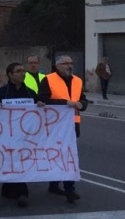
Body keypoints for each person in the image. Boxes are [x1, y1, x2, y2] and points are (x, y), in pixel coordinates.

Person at [0, 62, 44, 208]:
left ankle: (22, 193)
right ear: (10, 75)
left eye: (23, 71)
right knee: (10, 161)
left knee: (21, 162)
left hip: (25, 137)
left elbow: (39, 108)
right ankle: (8, 189)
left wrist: (40, 105)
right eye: (18, 71)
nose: (23, 73)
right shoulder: (2, 92)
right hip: (7, 136)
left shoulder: (30, 93)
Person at [39, 55, 88, 204]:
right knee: (56, 155)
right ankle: (68, 189)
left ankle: (60, 186)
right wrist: (65, 103)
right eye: (66, 63)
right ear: (57, 65)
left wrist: (82, 104)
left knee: (68, 155)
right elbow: (42, 100)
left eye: (71, 63)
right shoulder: (48, 79)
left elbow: (83, 98)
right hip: (54, 124)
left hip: (72, 123)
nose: (69, 66)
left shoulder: (78, 80)